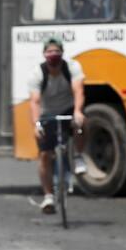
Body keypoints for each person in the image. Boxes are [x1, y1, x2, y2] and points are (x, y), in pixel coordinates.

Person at [27, 38, 86, 214]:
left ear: (62, 55)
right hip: (46, 114)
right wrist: (37, 124)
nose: (53, 57)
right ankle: (48, 197)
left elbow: (78, 91)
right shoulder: (37, 73)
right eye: (49, 53)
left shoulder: (72, 68)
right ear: (44, 56)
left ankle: (78, 156)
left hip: (68, 108)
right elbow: (35, 101)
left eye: (57, 53)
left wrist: (78, 111)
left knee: (82, 122)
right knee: (44, 154)